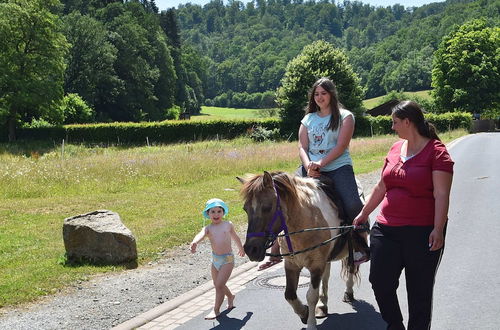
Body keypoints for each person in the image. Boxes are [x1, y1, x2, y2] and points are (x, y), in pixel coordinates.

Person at [353, 100, 454, 330]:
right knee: (379, 282)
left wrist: (438, 229)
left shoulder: (437, 153)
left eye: (395, 122)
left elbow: (441, 194)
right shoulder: (395, 148)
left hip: (422, 232)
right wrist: (363, 213)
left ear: (407, 122)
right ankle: (395, 325)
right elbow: (381, 186)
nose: (392, 127)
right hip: (386, 228)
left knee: (419, 291)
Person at [258, 77, 367, 270]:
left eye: (323, 93)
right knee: (282, 199)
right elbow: (302, 146)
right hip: (308, 166)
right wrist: (309, 165)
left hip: (338, 167)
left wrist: (321, 163)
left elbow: (342, 146)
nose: (319, 97)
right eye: (316, 94)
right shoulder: (308, 119)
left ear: (331, 94)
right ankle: (276, 251)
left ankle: (359, 245)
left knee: (352, 204)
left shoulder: (345, 116)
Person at [190, 198, 245, 320]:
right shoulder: (208, 228)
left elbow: (235, 237)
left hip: (227, 259)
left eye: (219, 211)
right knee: (217, 284)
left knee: (219, 285)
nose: (216, 214)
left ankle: (216, 310)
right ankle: (230, 296)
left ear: (223, 212)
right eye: (213, 212)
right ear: (208, 214)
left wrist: (241, 248)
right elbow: (200, 234)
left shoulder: (227, 225)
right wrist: (195, 242)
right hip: (215, 260)